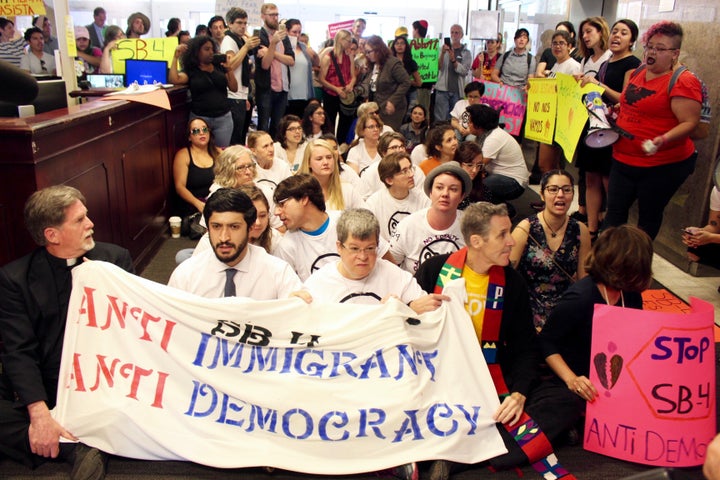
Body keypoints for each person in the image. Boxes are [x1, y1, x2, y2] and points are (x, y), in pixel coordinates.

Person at [415, 202, 579, 480]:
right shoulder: (433, 271)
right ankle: (522, 437)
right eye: (503, 234)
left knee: (565, 401)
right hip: (443, 380)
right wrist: (411, 307)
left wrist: (518, 395)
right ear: (476, 241)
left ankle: (457, 460)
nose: (512, 241)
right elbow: (403, 329)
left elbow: (526, 349)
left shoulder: (512, 282)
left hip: (493, 380)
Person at [0, 185, 134, 479]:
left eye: (87, 216)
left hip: (103, 377)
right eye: (79, 220)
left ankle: (65, 439)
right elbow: (18, 351)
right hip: (47, 383)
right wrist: (39, 412)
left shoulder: (114, 260)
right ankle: (76, 447)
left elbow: (136, 331)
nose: (91, 224)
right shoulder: (15, 279)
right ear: (52, 235)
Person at [604, 21, 702, 240]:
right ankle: (607, 264)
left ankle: (638, 266)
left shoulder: (684, 81)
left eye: (660, 48)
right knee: (614, 216)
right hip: (623, 158)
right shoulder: (639, 71)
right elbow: (629, 102)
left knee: (647, 219)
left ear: (675, 53)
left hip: (661, 165)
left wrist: (662, 139)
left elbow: (690, 122)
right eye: (649, 46)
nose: (652, 52)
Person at [539, 225, 652, 408]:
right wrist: (572, 380)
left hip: (613, 377)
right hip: (577, 378)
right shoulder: (580, 298)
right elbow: (546, 341)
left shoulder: (630, 294)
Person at [304, 208, 448, 319]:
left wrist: (407, 309)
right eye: (354, 249)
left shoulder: (396, 276)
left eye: (370, 248)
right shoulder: (317, 285)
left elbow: (430, 313)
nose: (363, 256)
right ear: (339, 247)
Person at [169, 187, 301, 299]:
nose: (224, 238)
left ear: (250, 229)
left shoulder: (278, 274)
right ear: (208, 229)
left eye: (234, 227)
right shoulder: (186, 275)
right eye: (216, 226)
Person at [576, 19, 641, 239]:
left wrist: (598, 85)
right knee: (591, 179)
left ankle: (610, 232)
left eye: (624, 33)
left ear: (632, 40)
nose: (617, 36)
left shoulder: (633, 64)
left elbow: (625, 98)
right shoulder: (605, 63)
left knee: (607, 181)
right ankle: (592, 228)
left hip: (614, 131)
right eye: (615, 31)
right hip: (595, 125)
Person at [510, 170, 591, 329]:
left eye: (567, 190)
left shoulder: (581, 230)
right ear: (542, 194)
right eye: (553, 189)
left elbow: (584, 279)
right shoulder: (525, 229)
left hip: (565, 307)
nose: (560, 195)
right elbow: (508, 274)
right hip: (528, 305)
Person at [390, 162, 471, 273]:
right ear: (431, 192)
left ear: (462, 196)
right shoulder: (407, 226)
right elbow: (389, 266)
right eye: (439, 187)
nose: (445, 194)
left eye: (453, 189)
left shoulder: (471, 226)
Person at [169, 35, 238, 148]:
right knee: (199, 151)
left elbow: (234, 88)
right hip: (200, 119)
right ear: (196, 52)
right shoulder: (191, 70)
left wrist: (229, 68)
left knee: (221, 152)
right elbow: (174, 79)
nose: (211, 52)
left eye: (212, 49)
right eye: (206, 49)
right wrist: (175, 57)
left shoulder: (219, 66)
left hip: (223, 118)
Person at [466, 104, 529, 209]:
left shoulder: (494, 138)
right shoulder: (485, 135)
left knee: (478, 186)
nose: (468, 124)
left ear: (478, 125)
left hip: (514, 182)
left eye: (470, 121)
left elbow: (476, 166)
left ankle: (506, 210)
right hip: (500, 176)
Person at [365, 151, 430, 242]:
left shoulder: (423, 199)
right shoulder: (373, 204)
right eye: (404, 171)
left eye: (411, 169)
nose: (412, 174)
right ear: (389, 180)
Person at [355, 35, 411, 130]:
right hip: (377, 107)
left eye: (369, 52)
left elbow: (406, 82)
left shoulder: (392, 63)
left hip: (392, 110)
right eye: (366, 52)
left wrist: (393, 101)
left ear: (378, 50)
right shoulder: (372, 64)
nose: (367, 55)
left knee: (388, 135)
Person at [222, 7, 260, 146]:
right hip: (233, 96)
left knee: (240, 136)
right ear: (230, 23)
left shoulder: (239, 40)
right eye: (239, 23)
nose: (243, 26)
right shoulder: (228, 41)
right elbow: (230, 65)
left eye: (245, 23)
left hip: (240, 95)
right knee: (235, 139)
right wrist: (246, 47)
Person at [256, 3, 295, 137]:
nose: (275, 18)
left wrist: (272, 53)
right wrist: (273, 44)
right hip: (267, 88)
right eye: (271, 15)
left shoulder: (283, 35)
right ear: (263, 16)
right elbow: (265, 64)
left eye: (277, 14)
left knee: (278, 127)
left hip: (283, 87)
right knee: (263, 126)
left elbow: (291, 61)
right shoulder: (260, 35)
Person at [358, 131, 426, 200]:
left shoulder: (415, 170)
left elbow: (422, 196)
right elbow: (364, 200)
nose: (400, 150)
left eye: (402, 146)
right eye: (394, 147)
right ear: (383, 153)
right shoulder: (370, 172)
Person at [298, 139, 363, 211]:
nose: (325, 162)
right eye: (319, 159)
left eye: (329, 157)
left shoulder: (347, 189)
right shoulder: (299, 192)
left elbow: (366, 216)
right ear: (308, 163)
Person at [173, 118, 220, 216]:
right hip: (193, 206)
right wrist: (197, 203)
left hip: (217, 203)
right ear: (189, 137)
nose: (202, 133)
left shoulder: (218, 152)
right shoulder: (183, 155)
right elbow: (179, 187)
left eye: (205, 129)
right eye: (196, 131)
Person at [319, 29, 356, 146]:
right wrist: (336, 89)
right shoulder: (327, 58)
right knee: (329, 121)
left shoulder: (349, 56)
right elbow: (322, 79)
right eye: (348, 41)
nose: (350, 44)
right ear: (340, 40)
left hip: (345, 94)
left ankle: (342, 145)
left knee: (345, 121)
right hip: (331, 93)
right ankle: (329, 144)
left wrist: (350, 85)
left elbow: (353, 75)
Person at [434, 24, 471, 123]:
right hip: (442, 89)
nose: (454, 35)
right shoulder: (442, 50)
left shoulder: (466, 53)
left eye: (457, 33)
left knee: (456, 119)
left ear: (461, 35)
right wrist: (442, 53)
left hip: (457, 91)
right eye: (452, 32)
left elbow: (464, 71)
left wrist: (454, 60)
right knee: (441, 119)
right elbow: (438, 67)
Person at [286, 19, 318, 118]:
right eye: (294, 32)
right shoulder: (282, 47)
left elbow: (316, 63)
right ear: (287, 32)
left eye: (299, 32)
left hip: (304, 95)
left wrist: (315, 55)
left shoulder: (304, 48)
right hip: (288, 95)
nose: (297, 35)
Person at [683, 186, 720, 271]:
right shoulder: (718, 189)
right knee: (695, 249)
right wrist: (697, 233)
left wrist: (711, 238)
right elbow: (715, 226)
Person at [456, 141, 492, 210]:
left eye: (478, 165)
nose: (475, 170)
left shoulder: (484, 190)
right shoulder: (450, 186)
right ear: (459, 163)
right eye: (469, 165)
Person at [390, 33, 422, 109]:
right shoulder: (389, 62)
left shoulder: (411, 62)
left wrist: (406, 81)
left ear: (406, 46)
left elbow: (419, 83)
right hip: (393, 94)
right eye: (397, 43)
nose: (399, 45)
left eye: (402, 43)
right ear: (394, 46)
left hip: (409, 94)